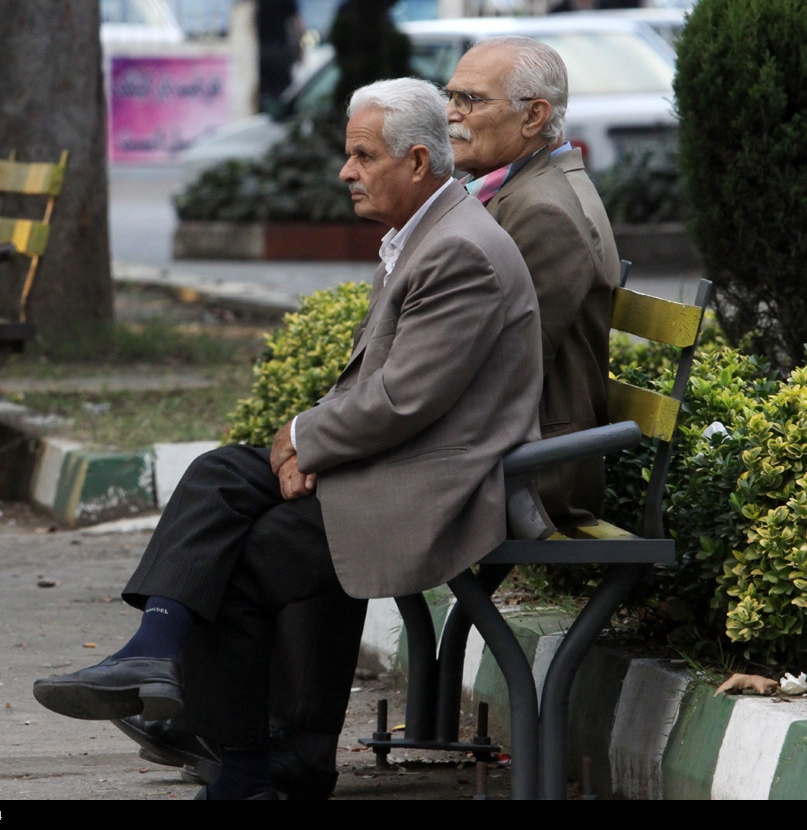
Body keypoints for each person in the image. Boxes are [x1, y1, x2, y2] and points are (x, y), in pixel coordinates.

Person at [113, 36, 619, 798]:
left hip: (503, 468)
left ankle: (244, 741)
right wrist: (312, 438)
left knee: (273, 543)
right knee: (230, 480)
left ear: (535, 115)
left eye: (469, 101)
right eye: (449, 98)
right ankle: (174, 666)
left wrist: (320, 443)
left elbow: (463, 384)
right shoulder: (497, 198)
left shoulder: (530, 213)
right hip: (457, 441)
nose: (451, 116)